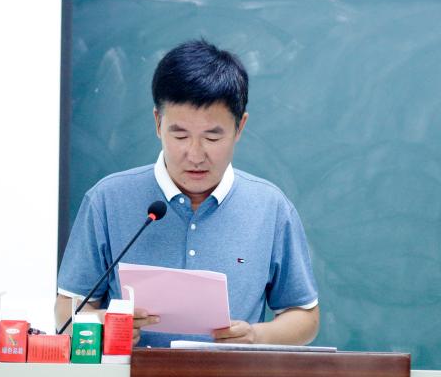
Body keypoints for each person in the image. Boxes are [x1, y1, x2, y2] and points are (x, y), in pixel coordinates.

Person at [56, 39, 319, 347]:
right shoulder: (107, 200)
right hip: (129, 376)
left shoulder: (270, 208)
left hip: (232, 376)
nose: (195, 155)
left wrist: (255, 335)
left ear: (240, 128)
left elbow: (305, 317)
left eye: (212, 137)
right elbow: (66, 312)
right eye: (180, 135)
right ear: (158, 123)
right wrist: (105, 324)